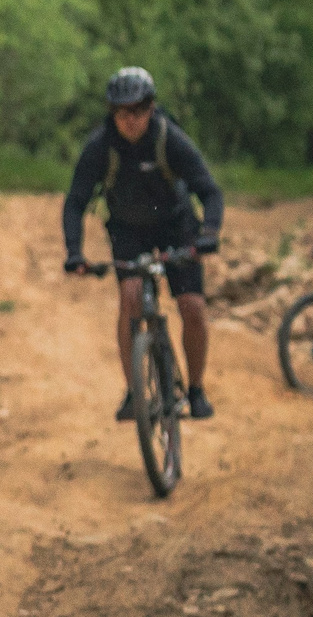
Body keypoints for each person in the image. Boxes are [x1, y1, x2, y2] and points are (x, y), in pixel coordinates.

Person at [61, 66, 225, 420]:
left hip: (176, 225)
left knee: (192, 306)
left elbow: (209, 190)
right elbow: (75, 202)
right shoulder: (100, 147)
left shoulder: (170, 138)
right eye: (122, 112)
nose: (130, 120)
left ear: (151, 108)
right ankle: (134, 392)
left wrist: (209, 234)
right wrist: (74, 252)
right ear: (112, 113)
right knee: (131, 298)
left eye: (138, 110)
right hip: (128, 228)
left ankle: (196, 389)